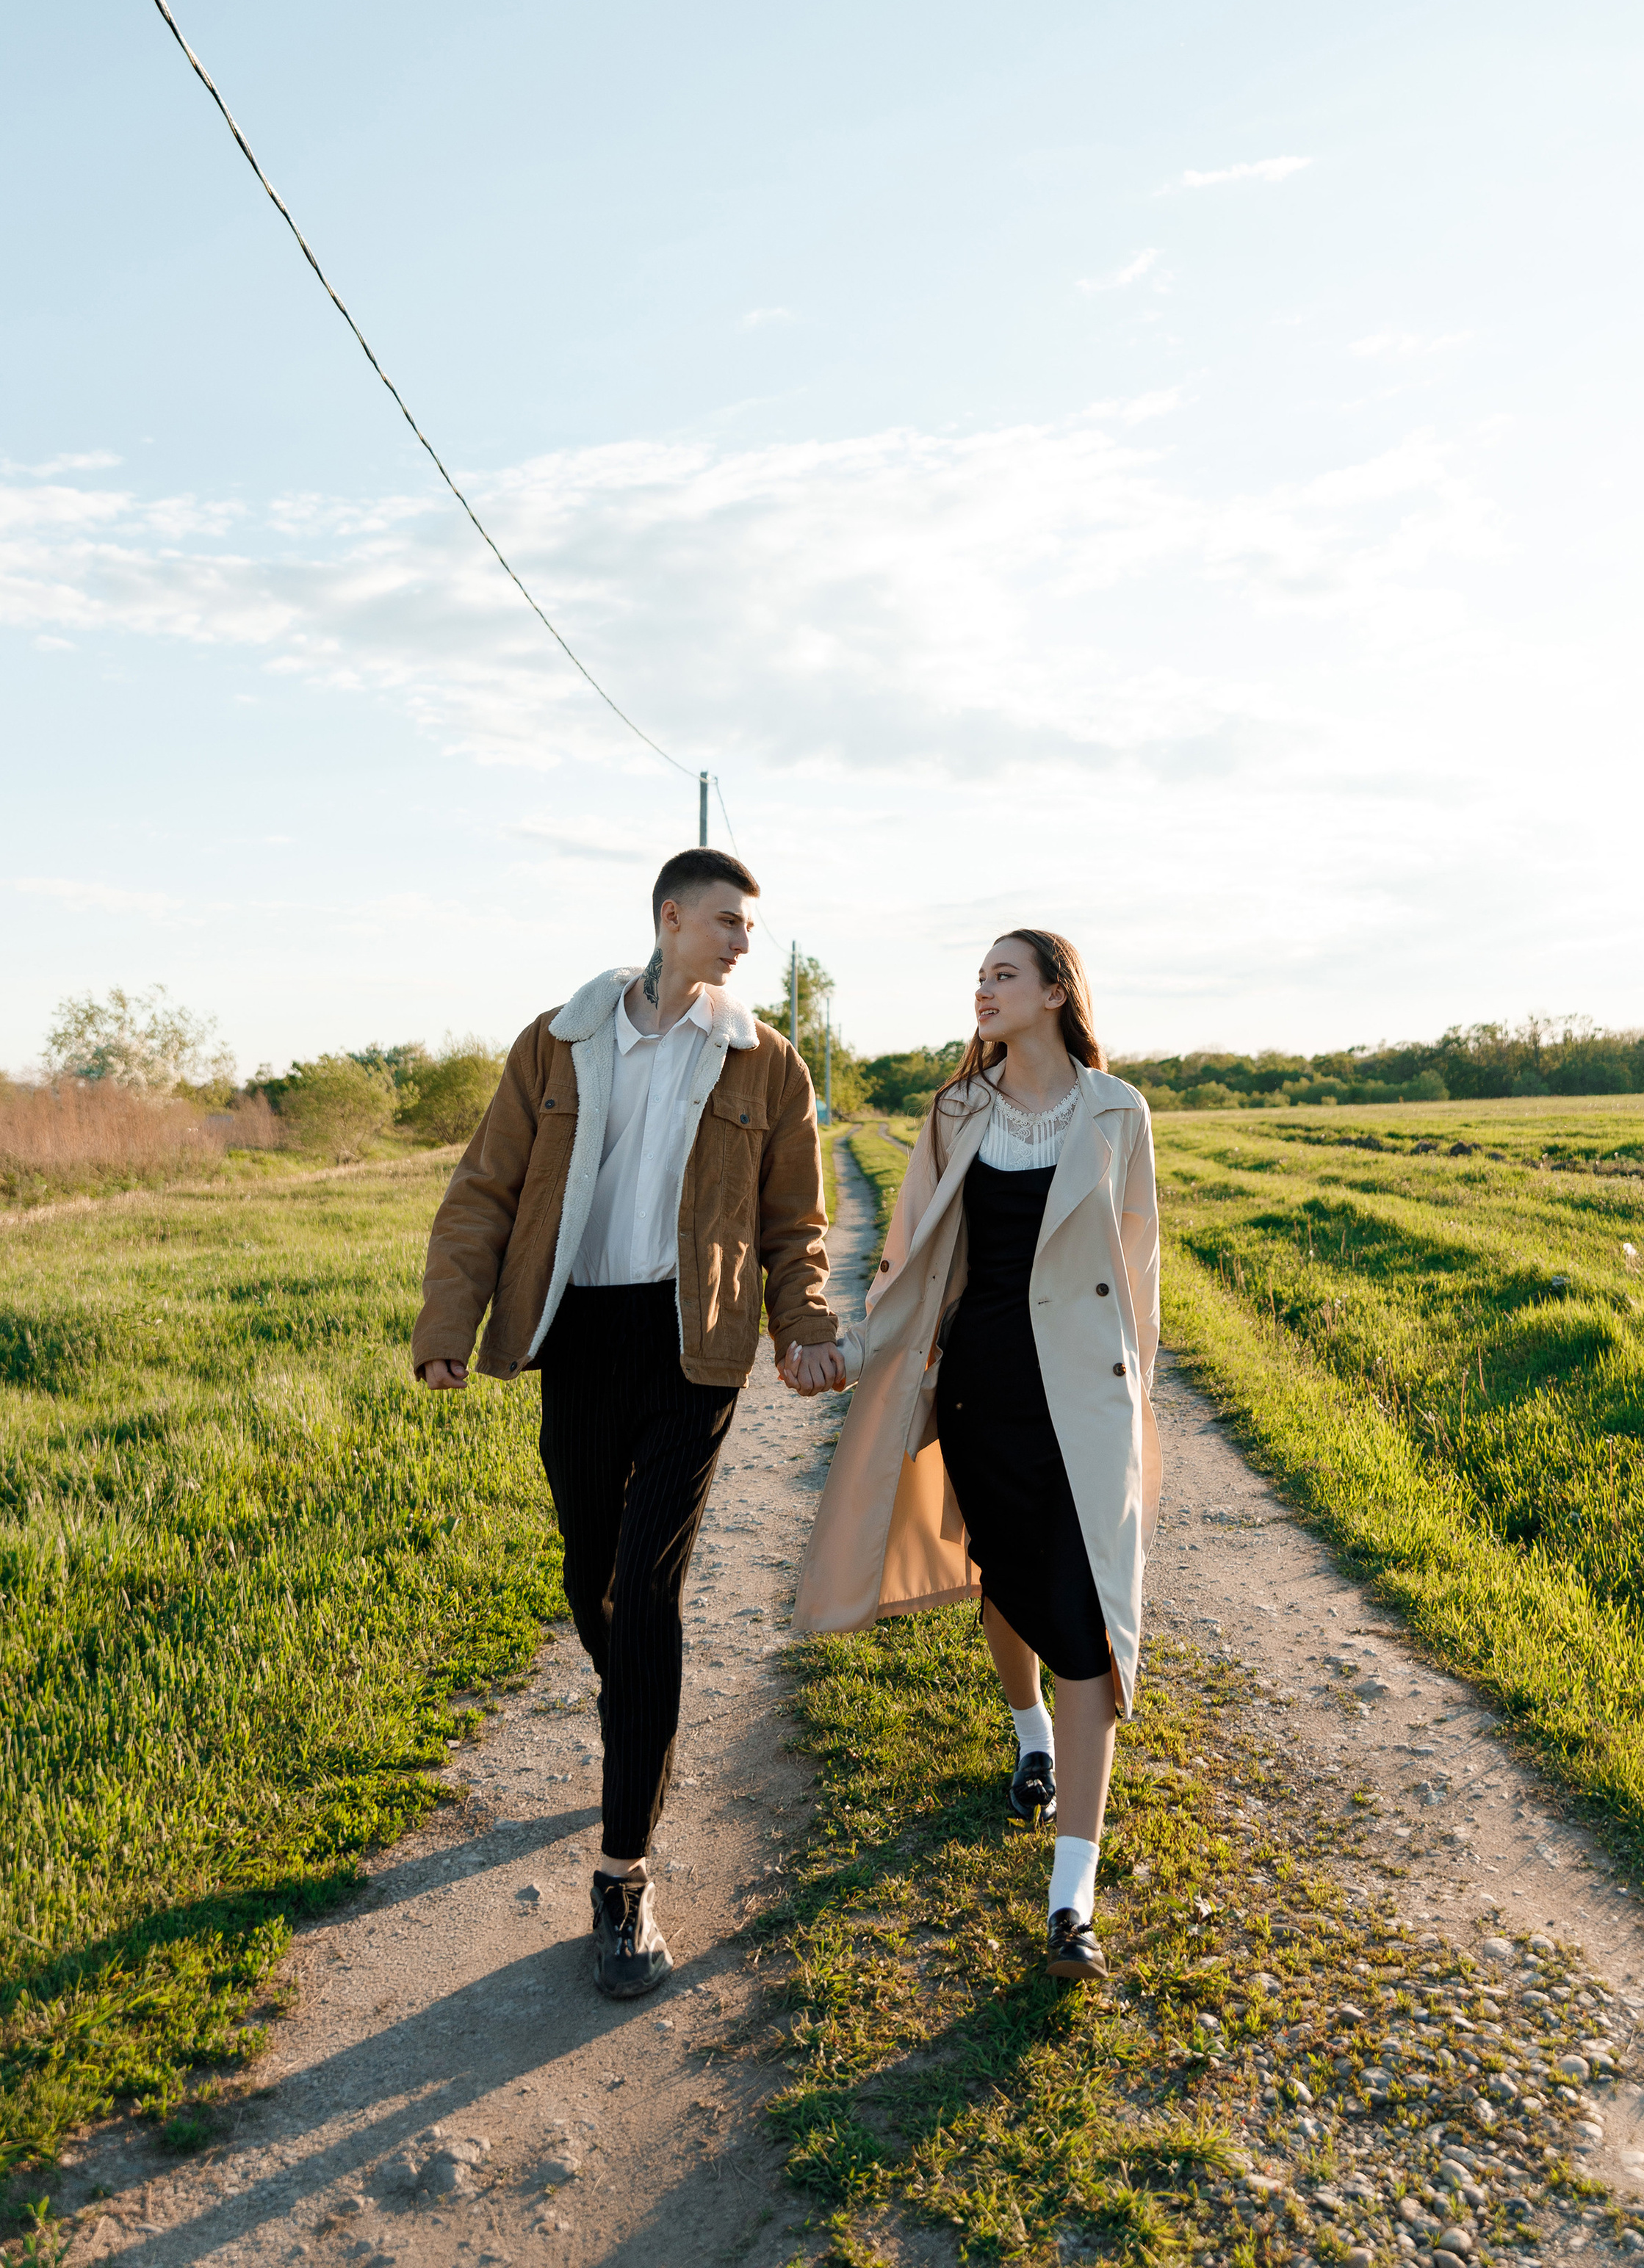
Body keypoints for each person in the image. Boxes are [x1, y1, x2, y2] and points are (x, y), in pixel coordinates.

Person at [411, 848, 846, 2000]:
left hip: (694, 1345)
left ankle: (622, 1875)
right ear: (669, 917)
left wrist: (804, 1328)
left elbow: (794, 1223)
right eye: (727, 921)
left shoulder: (766, 1063)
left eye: (749, 926)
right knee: (589, 1574)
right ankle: (636, 1710)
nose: (744, 942)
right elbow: (484, 1190)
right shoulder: (558, 1040)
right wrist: (449, 1319)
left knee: (647, 1590)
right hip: (578, 1334)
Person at [787, 928, 1159, 1983]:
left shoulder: (1118, 1111)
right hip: (983, 1390)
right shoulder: (957, 1112)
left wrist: (1134, 1403)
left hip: (1084, 1399)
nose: (985, 990)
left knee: (1084, 1621)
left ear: (1055, 993)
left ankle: (1071, 1899)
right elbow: (909, 1252)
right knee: (1006, 1578)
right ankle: (1030, 1732)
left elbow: (1138, 1267)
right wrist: (852, 1350)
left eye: (1005, 975)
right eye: (980, 977)